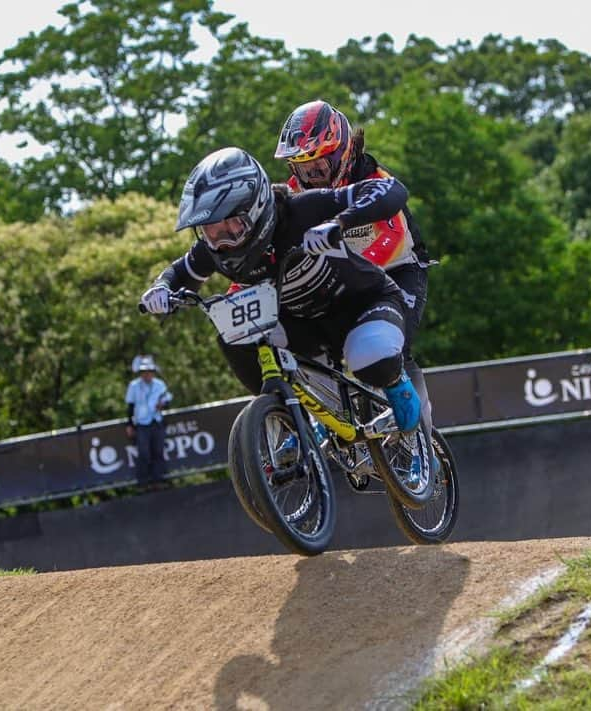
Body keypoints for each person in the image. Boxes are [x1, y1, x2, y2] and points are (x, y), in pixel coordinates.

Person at [138, 146, 425, 448]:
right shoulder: (213, 251)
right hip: (305, 329)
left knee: (371, 356)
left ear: (256, 208)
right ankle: (291, 418)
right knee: (236, 336)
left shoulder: (302, 210)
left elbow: (389, 189)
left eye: (230, 226)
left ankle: (399, 391)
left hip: (361, 305)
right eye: (210, 230)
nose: (221, 241)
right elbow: (179, 272)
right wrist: (161, 289)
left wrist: (338, 224)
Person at [273, 100, 436, 440]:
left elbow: (392, 236)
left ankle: (420, 437)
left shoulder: (373, 178)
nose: (311, 177)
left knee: (395, 349)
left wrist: (356, 276)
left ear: (343, 153)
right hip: (341, 281)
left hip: (398, 269)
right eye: (302, 169)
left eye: (318, 166)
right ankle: (325, 416)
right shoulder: (292, 195)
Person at [125, 355, 172, 485]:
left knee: (158, 451)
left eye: (149, 371)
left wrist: (162, 405)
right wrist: (129, 424)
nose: (147, 374)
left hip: (156, 422)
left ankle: (160, 480)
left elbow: (167, 400)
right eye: (144, 372)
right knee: (144, 453)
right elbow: (130, 406)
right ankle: (144, 482)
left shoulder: (159, 384)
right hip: (142, 424)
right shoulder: (134, 386)